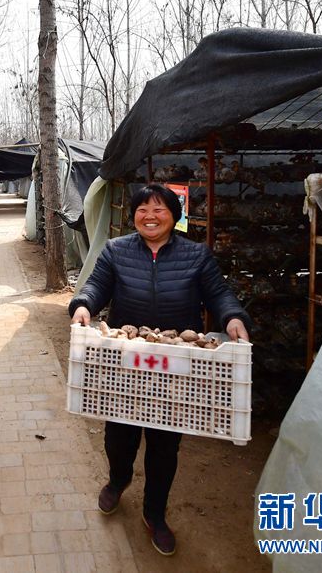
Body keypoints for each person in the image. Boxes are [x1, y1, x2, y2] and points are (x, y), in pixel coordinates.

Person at [69, 183, 251, 556]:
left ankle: (155, 513)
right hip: (124, 361)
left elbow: (218, 293)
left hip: (176, 365)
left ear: (175, 215)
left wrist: (232, 317)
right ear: (133, 215)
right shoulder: (116, 251)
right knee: (119, 434)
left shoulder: (196, 255)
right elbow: (96, 286)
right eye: (142, 210)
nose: (149, 216)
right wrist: (83, 305)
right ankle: (117, 480)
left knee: (164, 445)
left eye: (159, 209)